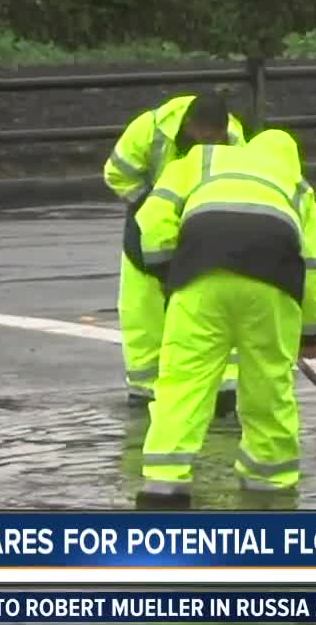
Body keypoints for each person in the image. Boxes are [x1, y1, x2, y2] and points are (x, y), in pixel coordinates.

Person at [132, 120, 316, 504]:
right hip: (271, 287)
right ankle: (268, 486)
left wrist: (167, 270)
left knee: (182, 383)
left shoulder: (202, 160)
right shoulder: (297, 186)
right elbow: (314, 268)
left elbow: (152, 218)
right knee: (268, 386)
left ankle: (163, 484)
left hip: (199, 281)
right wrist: (310, 332)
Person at [103, 93, 247, 415]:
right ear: (190, 126)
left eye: (215, 139)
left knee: (212, 312)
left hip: (203, 225)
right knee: (145, 313)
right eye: (203, 137)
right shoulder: (149, 129)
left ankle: (224, 391)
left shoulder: (235, 139)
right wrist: (152, 203)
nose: (208, 144)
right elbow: (116, 173)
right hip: (147, 223)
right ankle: (145, 391)